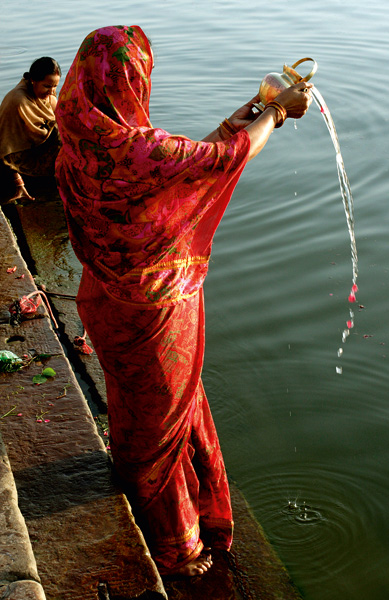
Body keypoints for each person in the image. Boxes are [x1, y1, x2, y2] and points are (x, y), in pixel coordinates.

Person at [55, 25, 312, 577]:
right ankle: (177, 547)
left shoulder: (79, 142)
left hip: (103, 299)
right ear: (132, 80)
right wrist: (277, 113)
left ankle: (133, 476)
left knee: (136, 408)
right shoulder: (140, 150)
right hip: (156, 313)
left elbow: (187, 158)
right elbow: (223, 156)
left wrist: (255, 105)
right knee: (165, 424)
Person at [0, 56, 61, 202]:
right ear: (33, 80)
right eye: (47, 86)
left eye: (55, 86)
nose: (52, 91)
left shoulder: (48, 97)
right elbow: (4, 147)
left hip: (39, 150)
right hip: (18, 162)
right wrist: (18, 182)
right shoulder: (18, 101)